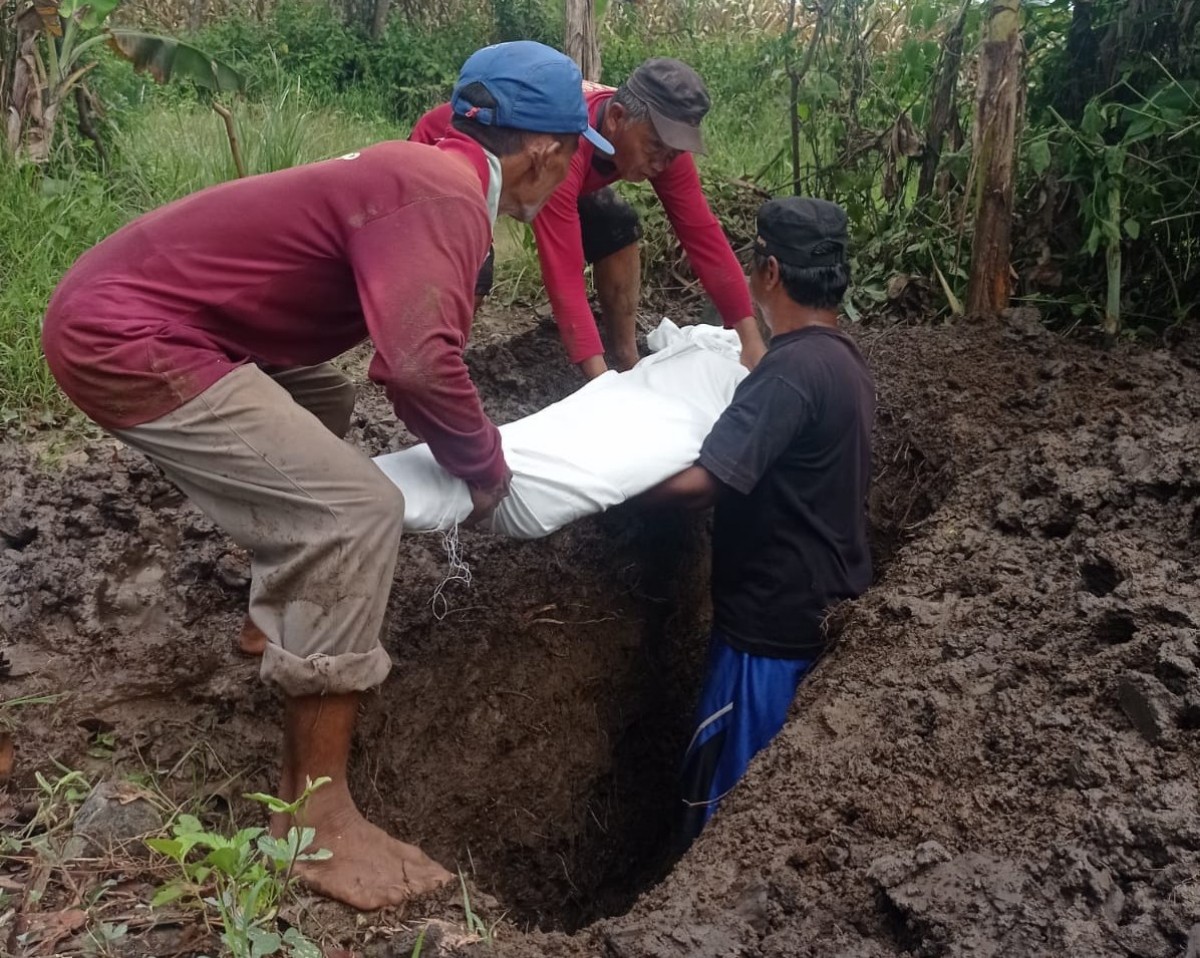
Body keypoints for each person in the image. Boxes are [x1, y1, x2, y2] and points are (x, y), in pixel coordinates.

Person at [41, 41, 612, 910]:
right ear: (545, 151)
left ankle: (276, 611)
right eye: (572, 156)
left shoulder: (425, 166)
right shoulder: (447, 194)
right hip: (126, 335)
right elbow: (417, 367)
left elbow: (395, 356)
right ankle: (315, 824)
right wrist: (486, 471)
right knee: (353, 512)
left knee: (323, 399)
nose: (569, 175)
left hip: (147, 310)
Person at [639, 197, 874, 845]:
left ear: (769, 271)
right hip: (821, 607)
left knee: (731, 815)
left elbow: (702, 486)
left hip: (768, 634)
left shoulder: (788, 372)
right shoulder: (843, 361)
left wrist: (614, 486)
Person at [411, 58, 768, 379]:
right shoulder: (560, 149)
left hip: (546, 173)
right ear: (616, 119)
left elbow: (703, 237)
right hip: (455, 154)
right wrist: (600, 388)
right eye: (655, 148)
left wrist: (750, 343)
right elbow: (564, 275)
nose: (662, 162)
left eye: (673, 154)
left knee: (617, 226)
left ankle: (627, 360)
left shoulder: (661, 149)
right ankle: (431, 369)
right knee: (474, 268)